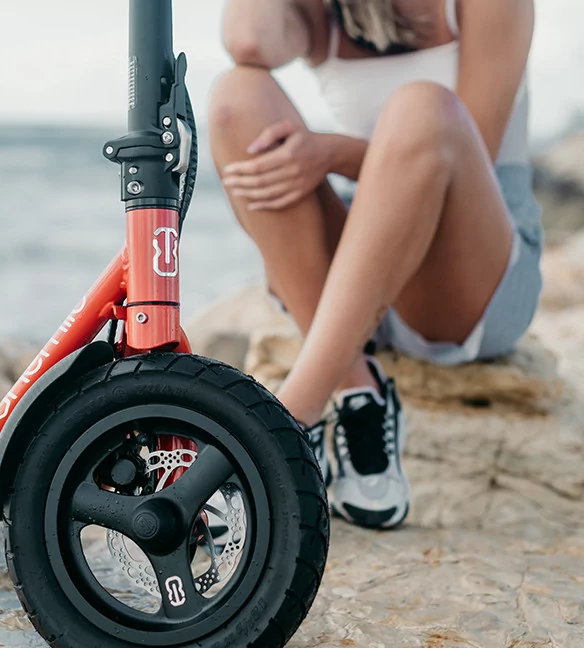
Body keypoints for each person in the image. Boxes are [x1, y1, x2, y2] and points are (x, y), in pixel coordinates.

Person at [209, 0, 543, 529]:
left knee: (424, 108)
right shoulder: (331, 11)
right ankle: (358, 391)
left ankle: (286, 424)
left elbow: (461, 149)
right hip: (366, 275)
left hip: (474, 276)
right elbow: (248, 40)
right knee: (237, 97)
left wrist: (331, 153)